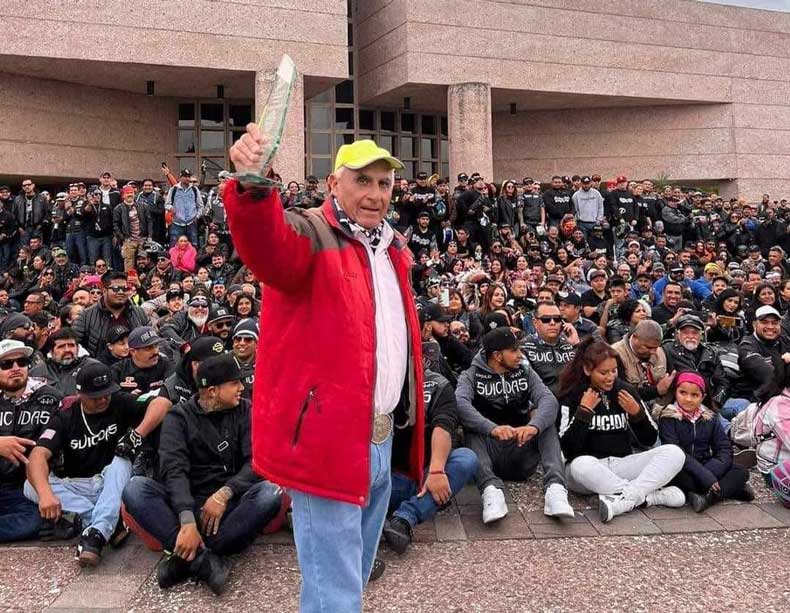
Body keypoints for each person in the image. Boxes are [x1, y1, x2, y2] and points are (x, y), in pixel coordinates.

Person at [226, 131, 425, 611]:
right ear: (334, 183)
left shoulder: (391, 246)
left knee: (350, 576)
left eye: (384, 182)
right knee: (334, 590)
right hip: (327, 440)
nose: (376, 194)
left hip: (380, 438)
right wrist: (253, 186)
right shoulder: (311, 232)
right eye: (363, 181)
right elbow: (265, 242)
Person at [122, 354, 284, 595]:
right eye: (234, 383)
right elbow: (173, 472)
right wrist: (187, 519)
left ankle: (186, 557)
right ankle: (203, 559)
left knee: (270, 493)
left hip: (228, 506)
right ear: (211, 391)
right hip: (182, 504)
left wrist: (224, 494)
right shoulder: (178, 418)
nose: (241, 388)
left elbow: (256, 462)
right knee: (134, 489)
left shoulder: (245, 410)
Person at [24, 361, 170, 566]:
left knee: (121, 460)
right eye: (96, 396)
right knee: (31, 485)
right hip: (79, 485)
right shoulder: (65, 416)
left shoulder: (118, 401)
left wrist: (136, 435)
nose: (103, 399)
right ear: (81, 394)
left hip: (113, 482)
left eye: (106, 393)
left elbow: (162, 403)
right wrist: (46, 494)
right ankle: (106, 524)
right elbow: (38, 455)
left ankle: (95, 533)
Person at [557, 338, 686, 523]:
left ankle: (626, 499)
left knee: (674, 453)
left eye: (614, 371)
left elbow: (650, 439)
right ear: (587, 369)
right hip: (587, 471)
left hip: (621, 464)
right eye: (603, 372)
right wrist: (583, 413)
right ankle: (650, 497)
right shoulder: (573, 395)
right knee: (580, 465)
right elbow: (566, 450)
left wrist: (637, 414)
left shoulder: (625, 391)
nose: (610, 377)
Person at [456, 328, 575, 524]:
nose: (520, 355)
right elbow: (460, 404)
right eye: (513, 351)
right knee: (471, 428)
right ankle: (490, 490)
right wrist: (491, 428)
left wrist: (533, 427)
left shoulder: (525, 372)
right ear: (497, 355)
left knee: (546, 424)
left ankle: (555, 489)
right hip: (489, 450)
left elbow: (548, 400)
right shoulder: (471, 375)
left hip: (520, 449)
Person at [383, 363, 478, 554]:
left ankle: (404, 519)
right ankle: (379, 520)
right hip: (386, 480)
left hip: (428, 476)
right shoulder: (379, 383)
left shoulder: (438, 384)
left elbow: (443, 426)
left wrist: (436, 471)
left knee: (466, 458)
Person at [657, 372, 752, 513]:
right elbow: (676, 452)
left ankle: (707, 498)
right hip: (681, 467)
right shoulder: (668, 417)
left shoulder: (710, 417)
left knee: (741, 471)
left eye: (695, 395)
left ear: (703, 397)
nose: (688, 399)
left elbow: (724, 448)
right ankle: (729, 490)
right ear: (675, 392)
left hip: (706, 464)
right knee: (678, 478)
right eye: (683, 393)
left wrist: (711, 471)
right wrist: (705, 476)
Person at [0, 339, 63, 542]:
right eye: (6, 364)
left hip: (26, 489)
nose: (16, 368)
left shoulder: (51, 398)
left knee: (36, 520)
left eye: (22, 362)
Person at [73, 271, 148, 357]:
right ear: (104, 291)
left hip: (136, 367)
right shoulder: (86, 316)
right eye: (116, 288)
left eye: (125, 289)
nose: (121, 292)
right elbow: (75, 345)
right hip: (100, 368)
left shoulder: (140, 313)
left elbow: (152, 340)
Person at [734, 305, 790, 405]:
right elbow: (769, 374)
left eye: (775, 323)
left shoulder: (785, 341)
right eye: (764, 322)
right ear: (754, 324)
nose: (770, 327)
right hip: (751, 400)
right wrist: (784, 361)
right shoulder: (747, 346)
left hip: (780, 397)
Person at [520, 301, 579, 394]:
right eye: (546, 319)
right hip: (544, 402)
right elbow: (526, 386)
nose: (552, 323)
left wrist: (577, 345)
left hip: (572, 399)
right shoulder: (524, 347)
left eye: (557, 319)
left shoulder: (570, 342)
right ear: (535, 323)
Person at [611, 320, 675, 406]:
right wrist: (656, 391)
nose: (653, 352)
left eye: (656, 347)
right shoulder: (615, 355)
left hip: (662, 407)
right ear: (634, 337)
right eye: (648, 347)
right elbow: (622, 393)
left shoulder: (661, 352)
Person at [111, 326, 174, 398]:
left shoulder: (166, 365)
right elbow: (111, 397)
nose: (155, 351)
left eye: (156, 345)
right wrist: (129, 398)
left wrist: (141, 398)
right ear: (133, 351)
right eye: (148, 348)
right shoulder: (118, 370)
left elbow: (171, 390)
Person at [29, 327, 86, 396]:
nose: (67, 350)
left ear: (77, 348)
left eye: (71, 345)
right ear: (51, 352)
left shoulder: (90, 367)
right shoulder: (37, 373)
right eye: (61, 346)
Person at [231, 318, 257, 400]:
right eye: (238, 339)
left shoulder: (265, 365)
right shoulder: (224, 364)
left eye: (248, 339)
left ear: (257, 343)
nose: (242, 343)